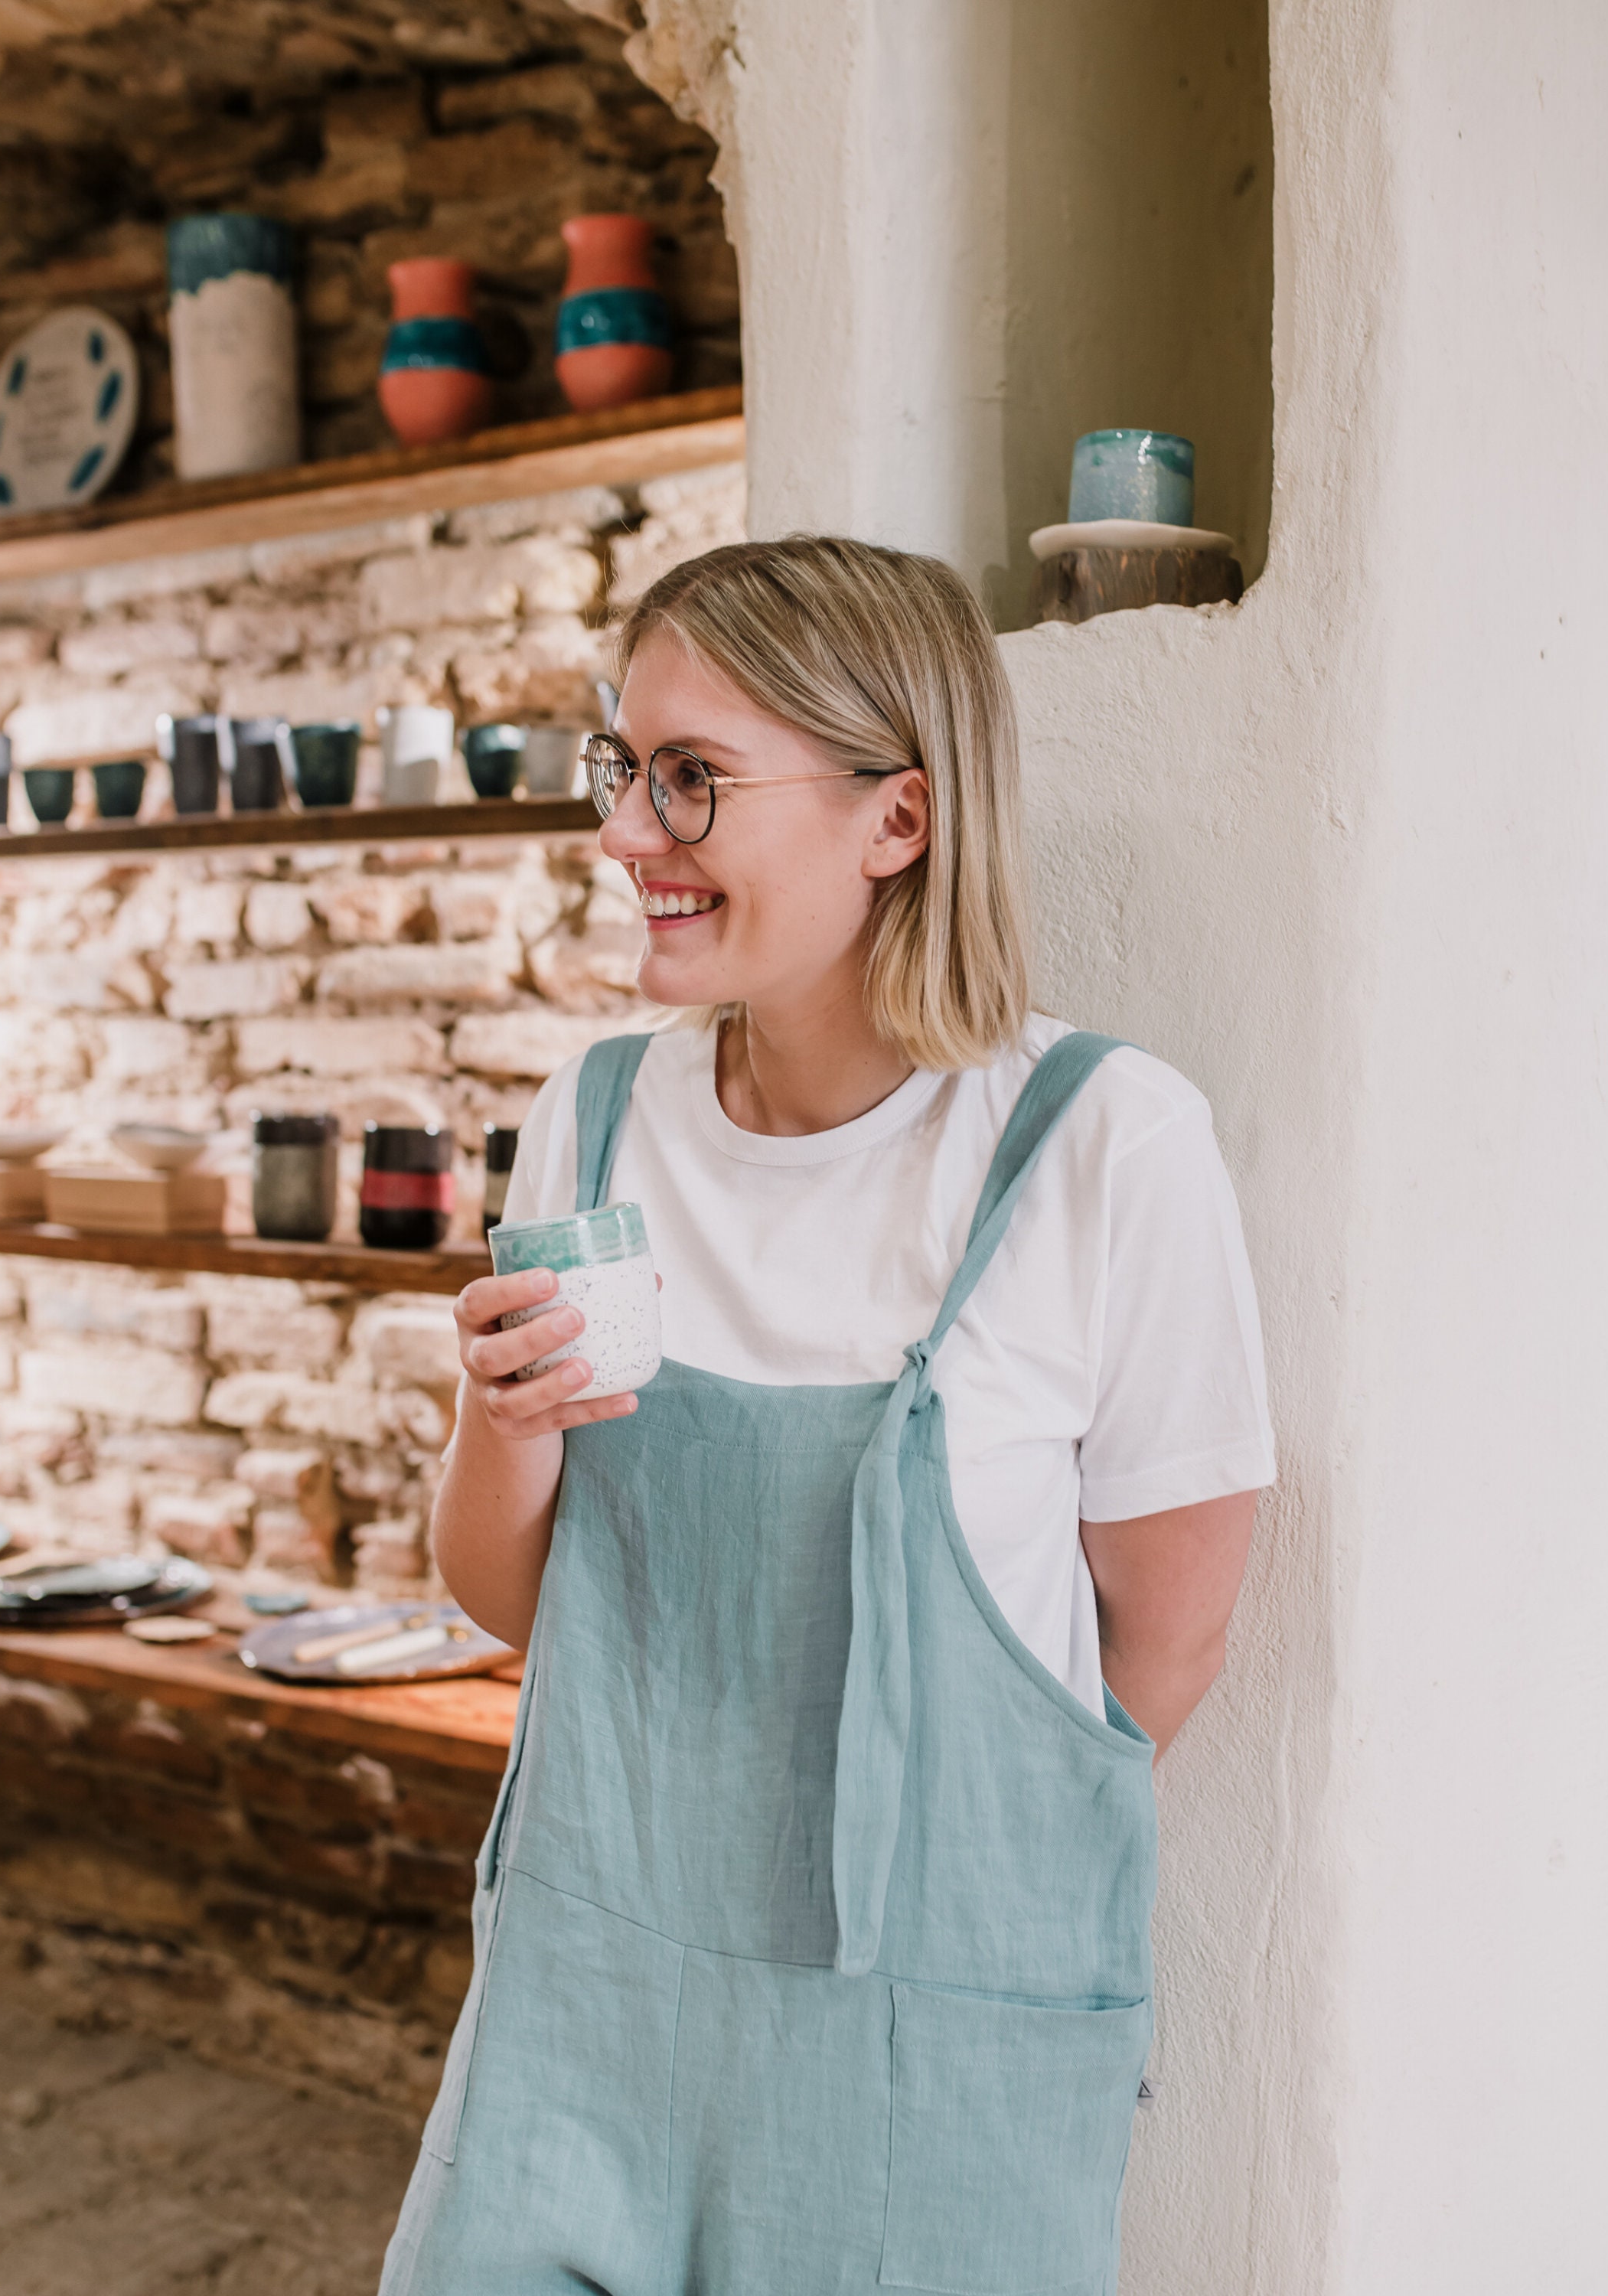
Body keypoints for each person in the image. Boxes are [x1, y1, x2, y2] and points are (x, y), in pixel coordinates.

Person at [379, 535, 1274, 2296]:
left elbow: (1164, 1647)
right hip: (591, 2002)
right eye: (621, 768)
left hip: (919, 2056)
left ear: (901, 819)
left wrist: (957, 1880)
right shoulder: (599, 1120)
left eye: (693, 781)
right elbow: (508, 1598)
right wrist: (504, 1423)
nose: (628, 834)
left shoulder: (1099, 1148)